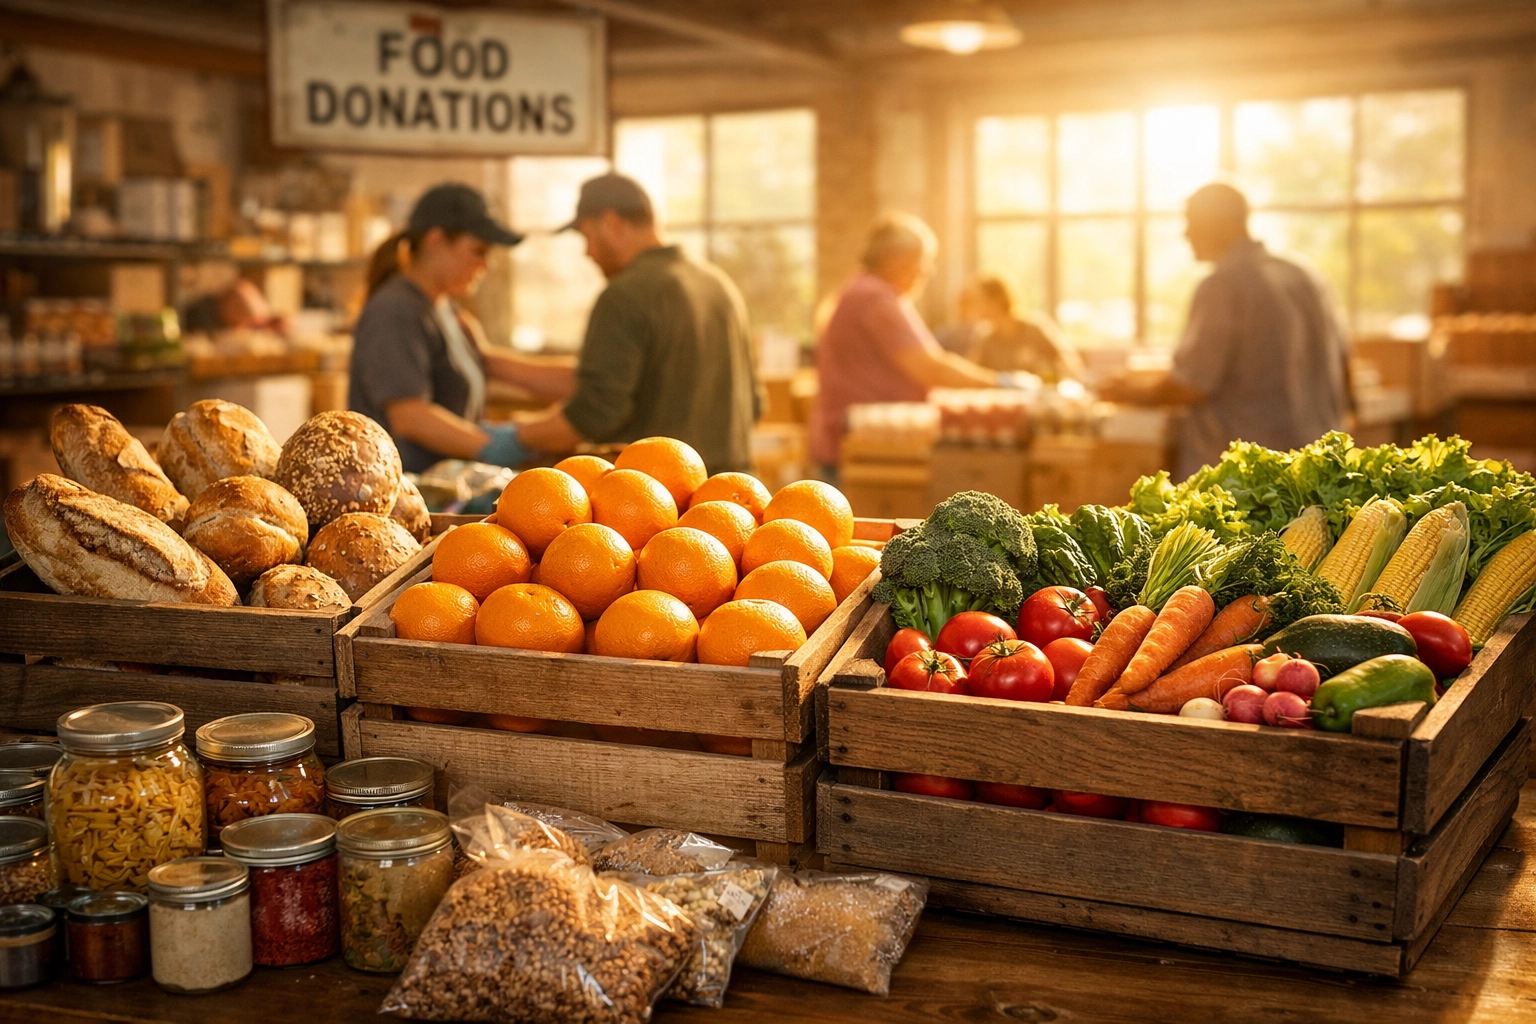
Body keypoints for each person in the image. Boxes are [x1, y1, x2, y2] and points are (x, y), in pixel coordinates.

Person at [1099, 183, 1349, 479]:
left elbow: (1192, 385)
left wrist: (1130, 393)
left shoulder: (1223, 285)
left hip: (1251, 479)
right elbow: (1343, 363)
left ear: (1221, 224)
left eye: (1192, 222)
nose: (1186, 234)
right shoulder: (1303, 274)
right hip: (1318, 462)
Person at [515, 173, 759, 474]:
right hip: (736, 495)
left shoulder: (624, 295)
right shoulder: (720, 285)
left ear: (612, 223)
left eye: (587, 236)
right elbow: (755, 403)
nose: (587, 252)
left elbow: (597, 413)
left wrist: (512, 438)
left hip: (661, 499)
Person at [348, 183, 573, 473]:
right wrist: (490, 446)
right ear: (436, 240)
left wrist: (590, 385)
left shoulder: (446, 310)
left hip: (444, 483)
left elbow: (490, 364)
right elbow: (409, 416)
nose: (485, 264)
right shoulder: (395, 311)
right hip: (406, 489)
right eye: (478, 250)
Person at [808, 212, 1000, 477]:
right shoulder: (874, 297)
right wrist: (1000, 383)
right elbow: (930, 368)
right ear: (891, 256)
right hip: (865, 450)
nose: (926, 272)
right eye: (921, 261)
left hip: (859, 445)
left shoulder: (861, 290)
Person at [965, 277, 1085, 384]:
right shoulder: (985, 339)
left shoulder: (1035, 330)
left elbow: (1068, 367)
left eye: (979, 300)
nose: (975, 306)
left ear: (996, 300)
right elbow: (973, 376)